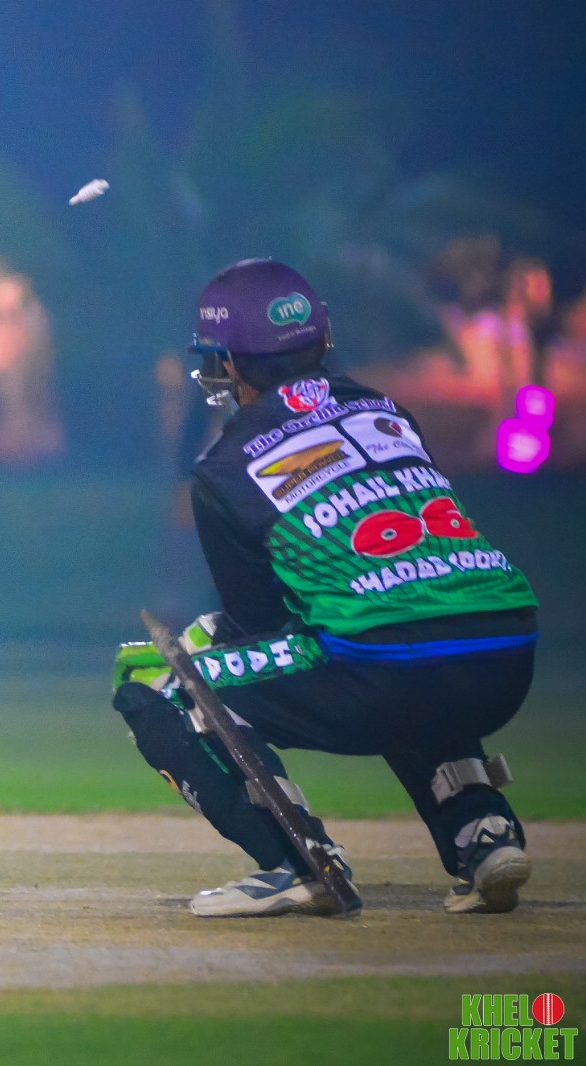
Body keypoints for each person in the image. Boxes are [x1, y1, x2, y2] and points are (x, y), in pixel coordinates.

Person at [113, 258, 538, 917]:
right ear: (322, 338)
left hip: (381, 663)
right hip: (508, 649)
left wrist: (206, 642)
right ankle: (481, 830)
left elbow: (258, 621)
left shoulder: (225, 463)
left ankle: (299, 862)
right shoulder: (387, 411)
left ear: (226, 362)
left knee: (161, 684)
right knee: (402, 636)